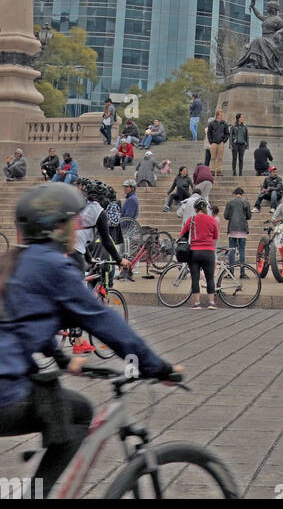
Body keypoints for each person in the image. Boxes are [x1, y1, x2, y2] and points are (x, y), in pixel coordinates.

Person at [0, 183, 180, 492]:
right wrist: (156, 366)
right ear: (56, 227)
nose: (79, 228)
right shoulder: (55, 266)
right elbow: (104, 321)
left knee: (60, 404)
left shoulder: (18, 262)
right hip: (5, 390)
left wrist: (62, 359)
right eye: (74, 221)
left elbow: (26, 320)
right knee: (79, 413)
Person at [179, 198, 219, 310]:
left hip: (194, 252)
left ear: (195, 209)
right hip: (208, 252)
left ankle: (197, 303)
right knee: (210, 278)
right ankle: (211, 303)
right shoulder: (212, 220)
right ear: (205, 208)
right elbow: (216, 236)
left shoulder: (192, 219)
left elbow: (182, 234)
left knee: (195, 278)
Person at [223, 187, 251, 271]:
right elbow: (249, 216)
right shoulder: (246, 202)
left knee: (232, 250)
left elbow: (226, 216)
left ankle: (231, 271)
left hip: (232, 228)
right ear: (242, 194)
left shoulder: (230, 202)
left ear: (234, 194)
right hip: (242, 228)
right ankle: (243, 272)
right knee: (242, 250)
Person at [207, 110, 229, 177]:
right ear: (217, 115)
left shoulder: (224, 124)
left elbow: (227, 133)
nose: (222, 116)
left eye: (222, 115)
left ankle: (219, 171)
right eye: (220, 115)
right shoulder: (212, 123)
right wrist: (211, 141)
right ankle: (212, 170)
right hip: (214, 143)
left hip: (221, 143)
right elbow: (209, 133)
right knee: (213, 157)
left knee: (220, 158)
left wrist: (223, 141)